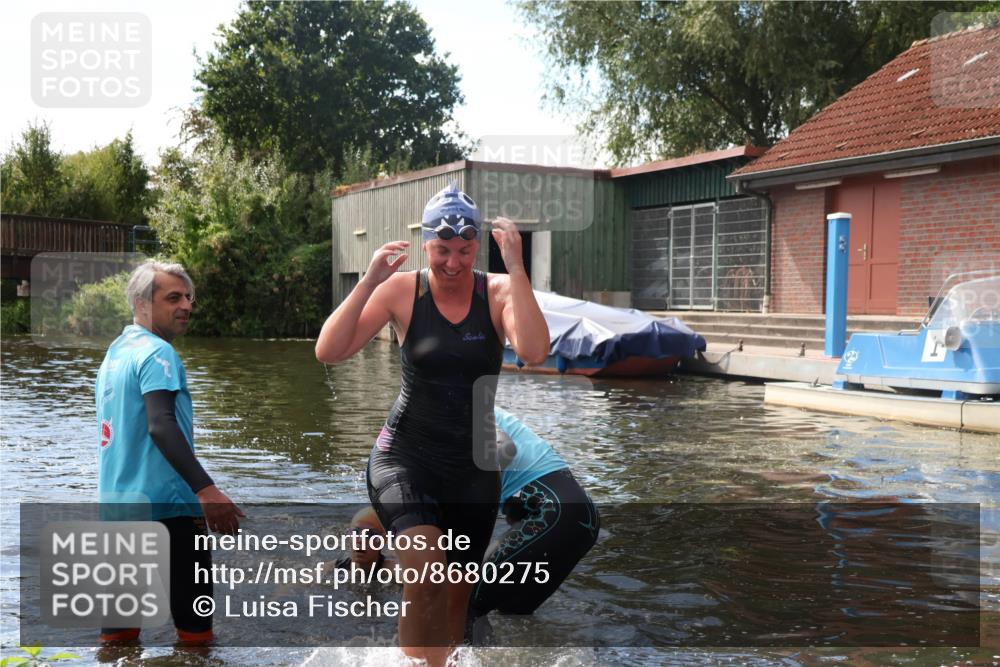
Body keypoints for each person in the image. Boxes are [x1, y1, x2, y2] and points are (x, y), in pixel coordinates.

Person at [315, 182, 549, 666]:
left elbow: (534, 351)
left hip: (472, 469)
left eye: (465, 250)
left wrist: (519, 268)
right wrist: (369, 280)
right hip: (406, 455)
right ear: (426, 245)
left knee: (455, 599)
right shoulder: (403, 291)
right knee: (424, 569)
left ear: (477, 247)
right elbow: (329, 351)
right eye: (442, 249)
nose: (453, 262)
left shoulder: (500, 292)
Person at [341, 408, 600, 644]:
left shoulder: (456, 408)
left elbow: (504, 449)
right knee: (511, 612)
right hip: (579, 520)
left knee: (461, 600)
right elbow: (377, 517)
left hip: (552, 514)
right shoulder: (436, 423)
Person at [95, 260, 244, 645]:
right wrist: (207, 491)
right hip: (170, 513)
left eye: (189, 297)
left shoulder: (114, 355)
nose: (186, 306)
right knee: (196, 639)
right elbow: (161, 424)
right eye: (173, 297)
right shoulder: (158, 354)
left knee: (118, 638)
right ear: (142, 303)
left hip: (118, 511)